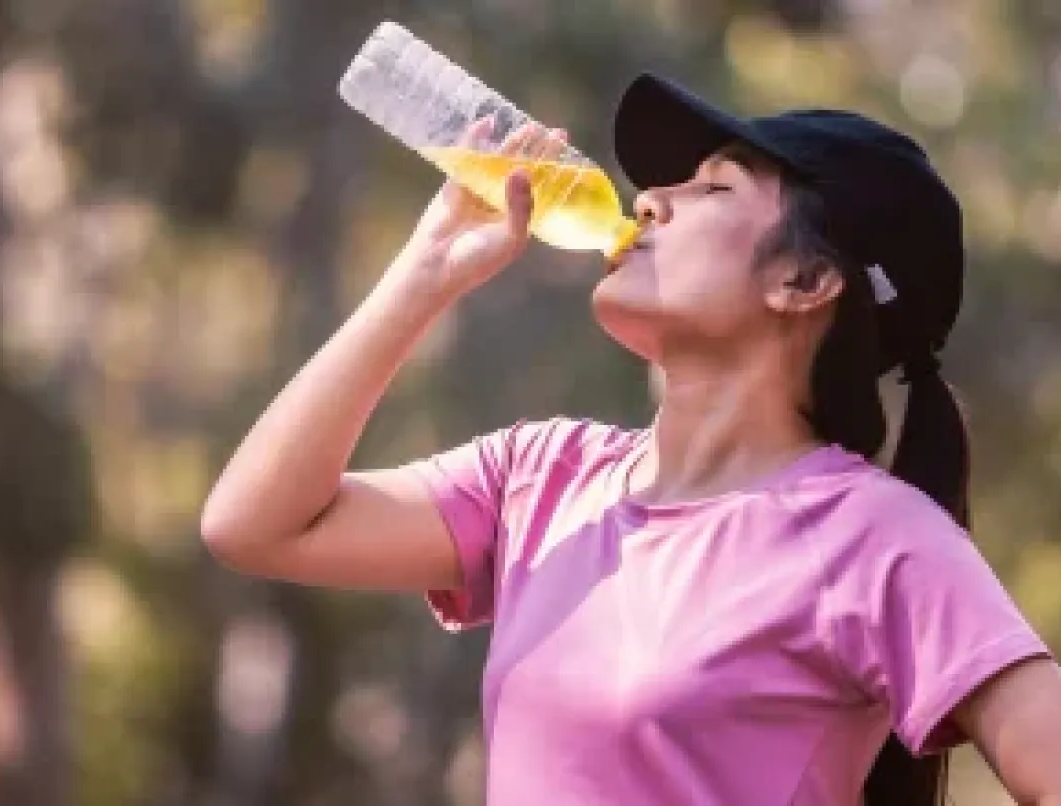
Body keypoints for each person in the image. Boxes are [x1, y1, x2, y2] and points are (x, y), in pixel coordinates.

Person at [201, 73, 1061, 805]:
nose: (650, 197)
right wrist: (421, 280)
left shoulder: (873, 540)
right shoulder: (542, 475)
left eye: (714, 188)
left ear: (806, 281)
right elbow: (258, 525)